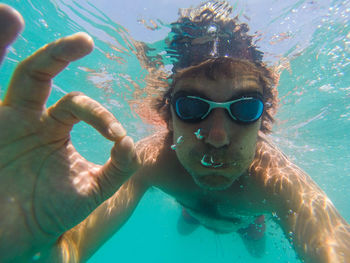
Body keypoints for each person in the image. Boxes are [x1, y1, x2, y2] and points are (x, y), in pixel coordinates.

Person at [0, 1, 349, 263]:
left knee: (255, 242)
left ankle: (227, 220)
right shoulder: (148, 162)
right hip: (192, 206)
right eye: (192, 107)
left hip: (248, 217)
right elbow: (71, 247)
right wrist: (36, 246)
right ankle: (190, 213)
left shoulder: (280, 183)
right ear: (169, 116)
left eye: (244, 108)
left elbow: (333, 245)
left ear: (263, 118)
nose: (217, 136)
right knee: (188, 222)